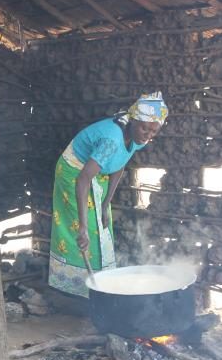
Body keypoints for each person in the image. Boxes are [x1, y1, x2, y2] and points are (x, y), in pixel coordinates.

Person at [48, 92, 168, 298]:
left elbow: (119, 164)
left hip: (97, 170)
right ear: (133, 119)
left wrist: (105, 204)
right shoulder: (111, 140)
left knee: (103, 225)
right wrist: (83, 226)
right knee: (86, 231)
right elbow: (83, 178)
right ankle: (79, 291)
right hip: (74, 171)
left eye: (153, 131)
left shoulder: (138, 138)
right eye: (144, 128)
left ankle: (99, 289)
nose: (147, 134)